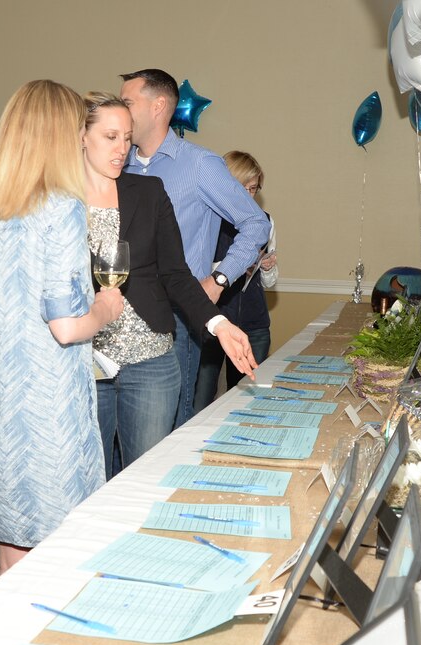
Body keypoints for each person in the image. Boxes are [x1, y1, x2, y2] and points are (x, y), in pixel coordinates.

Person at [0, 79, 125, 575]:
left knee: (11, 558)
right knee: (59, 563)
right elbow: (66, 326)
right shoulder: (61, 210)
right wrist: (106, 309)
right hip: (48, 424)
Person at [81, 93, 256, 478]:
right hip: (83, 361)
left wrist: (219, 325)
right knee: (88, 481)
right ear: (82, 136)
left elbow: (175, 273)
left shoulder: (148, 191)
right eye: (110, 137)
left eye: (127, 137)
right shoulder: (59, 200)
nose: (122, 149)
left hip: (151, 363)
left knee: (144, 476)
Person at [119, 69, 270, 427]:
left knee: (167, 428)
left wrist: (219, 279)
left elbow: (256, 225)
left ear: (158, 106)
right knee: (115, 435)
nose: (120, 110)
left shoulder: (199, 165)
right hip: (113, 316)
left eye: (127, 102)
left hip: (176, 318)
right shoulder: (117, 163)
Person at [195, 150, 279, 405]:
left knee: (248, 399)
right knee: (201, 400)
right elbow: (195, 273)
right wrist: (233, 266)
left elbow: (270, 283)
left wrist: (267, 268)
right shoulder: (207, 220)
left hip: (255, 324)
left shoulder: (264, 221)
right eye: (242, 187)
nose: (248, 195)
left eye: (253, 189)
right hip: (213, 323)